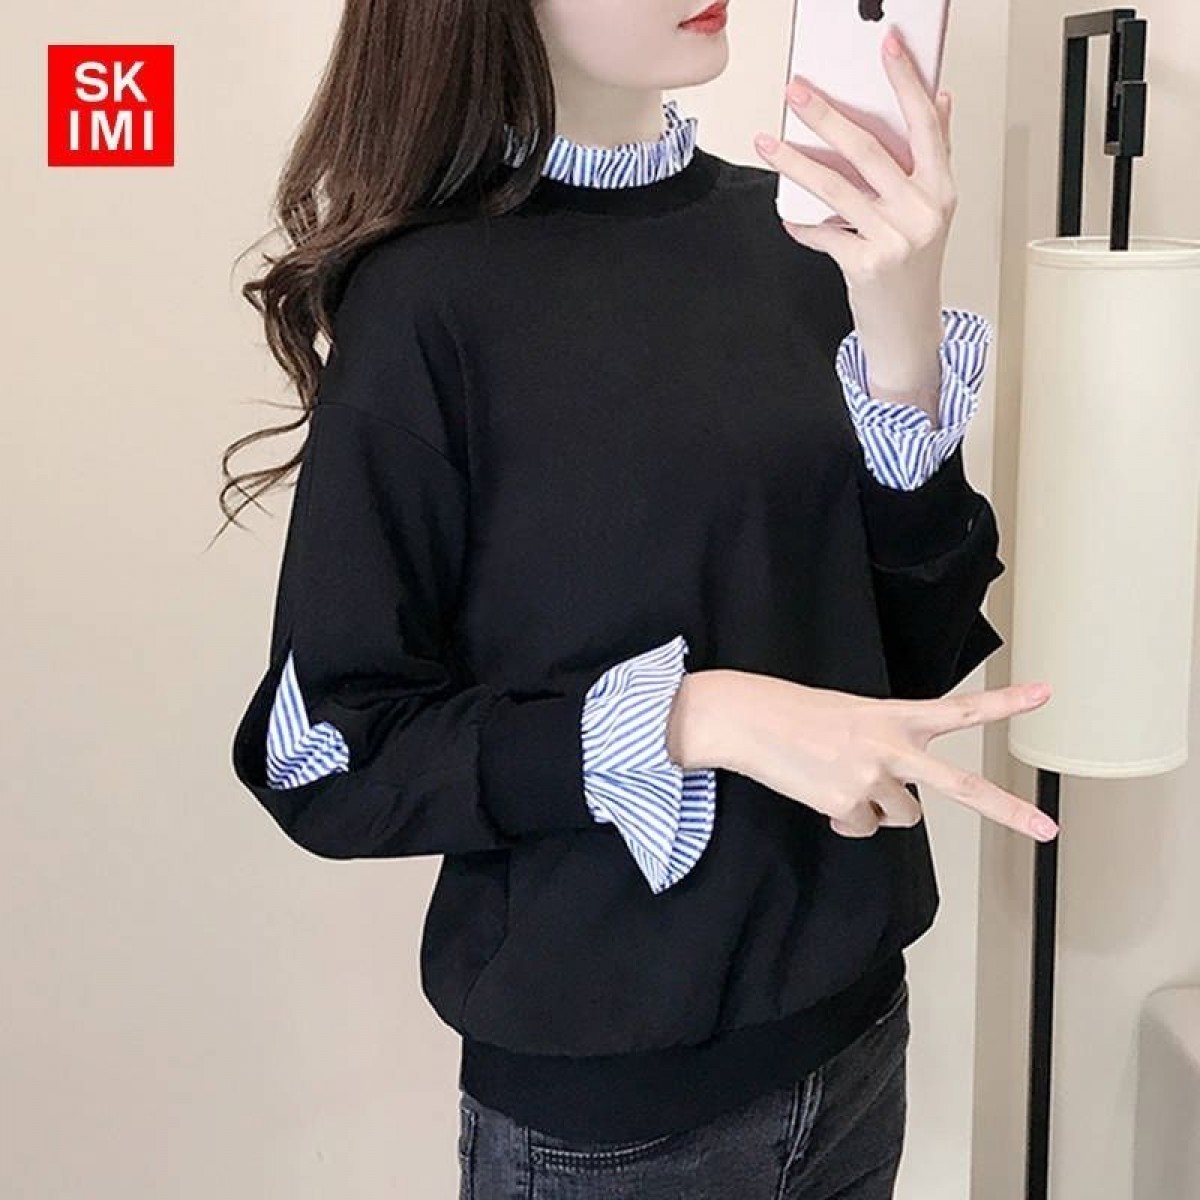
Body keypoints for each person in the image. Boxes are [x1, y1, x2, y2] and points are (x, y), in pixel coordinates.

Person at [217, 3, 1058, 1196]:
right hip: (610, 1122)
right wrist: (692, 717)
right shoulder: (426, 301)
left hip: (857, 1039)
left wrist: (903, 331)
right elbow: (326, 753)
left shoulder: (793, 237)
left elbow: (906, 658)